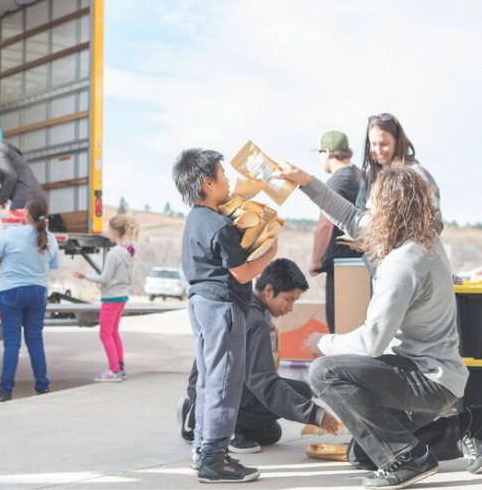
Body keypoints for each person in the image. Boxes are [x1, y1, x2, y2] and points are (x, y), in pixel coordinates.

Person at [274, 161, 470, 489]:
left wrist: (321, 342)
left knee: (324, 372)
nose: (367, 208)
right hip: (433, 374)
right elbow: (349, 216)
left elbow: (371, 343)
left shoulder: (404, 263)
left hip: (428, 381)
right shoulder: (421, 235)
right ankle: (465, 427)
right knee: (363, 454)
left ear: (390, 209)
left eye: (373, 202)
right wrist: (305, 181)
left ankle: (409, 458)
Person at [172, 148, 277, 484]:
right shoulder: (219, 224)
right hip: (223, 308)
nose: (229, 180)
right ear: (208, 182)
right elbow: (243, 274)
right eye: (223, 174)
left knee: (207, 380)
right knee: (224, 382)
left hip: (200, 304)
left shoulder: (194, 219)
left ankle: (204, 450)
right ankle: (215, 459)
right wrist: (270, 252)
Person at [177, 258, 339, 455]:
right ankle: (221, 424)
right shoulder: (254, 321)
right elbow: (264, 382)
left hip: (205, 388)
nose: (290, 308)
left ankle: (199, 412)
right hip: (216, 394)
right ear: (268, 290)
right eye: (289, 299)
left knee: (271, 433)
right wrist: (316, 414)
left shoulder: (244, 306)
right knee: (300, 394)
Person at [0, 195, 59, 403]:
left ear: (25, 213)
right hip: (37, 292)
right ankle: (42, 387)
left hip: (11, 292)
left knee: (12, 344)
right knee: (35, 341)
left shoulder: (10, 234)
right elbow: (54, 265)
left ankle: (5, 391)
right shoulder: (50, 238)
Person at [73, 215, 139, 382]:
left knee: (105, 334)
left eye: (109, 229)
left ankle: (114, 370)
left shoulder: (113, 254)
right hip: (122, 296)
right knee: (113, 332)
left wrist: (86, 276)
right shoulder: (128, 252)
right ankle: (120, 367)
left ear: (114, 232)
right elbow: (125, 278)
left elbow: (105, 279)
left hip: (111, 298)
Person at [309, 131, 363, 333]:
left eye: (321, 152)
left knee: (340, 329)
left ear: (329, 152)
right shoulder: (362, 176)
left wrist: (315, 261)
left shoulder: (336, 182)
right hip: (367, 265)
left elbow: (325, 226)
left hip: (343, 269)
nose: (320, 158)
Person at [356, 113, 441, 223]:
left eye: (384, 144)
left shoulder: (417, 173)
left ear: (397, 142)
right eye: (373, 144)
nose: (378, 150)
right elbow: (360, 213)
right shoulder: (369, 175)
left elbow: (435, 219)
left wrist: (408, 239)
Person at [0, 114, 44, 210]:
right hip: (37, 198)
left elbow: (11, 176)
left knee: (12, 223)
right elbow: (9, 183)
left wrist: (0, 202)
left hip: (24, 197)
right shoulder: (7, 149)